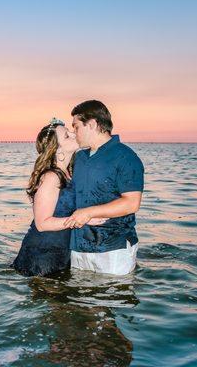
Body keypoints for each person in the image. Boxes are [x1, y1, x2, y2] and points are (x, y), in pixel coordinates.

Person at [12, 118, 106, 277]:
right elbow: (42, 224)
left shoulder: (70, 173)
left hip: (61, 252)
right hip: (41, 254)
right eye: (67, 136)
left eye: (70, 131)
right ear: (57, 150)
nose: (73, 133)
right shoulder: (51, 177)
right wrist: (82, 219)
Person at [64, 100, 145, 275]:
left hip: (113, 246)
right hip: (78, 244)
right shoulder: (79, 158)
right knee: (79, 300)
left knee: (112, 299)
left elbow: (132, 203)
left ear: (92, 124)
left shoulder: (125, 157)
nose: (73, 132)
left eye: (76, 127)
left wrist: (89, 212)